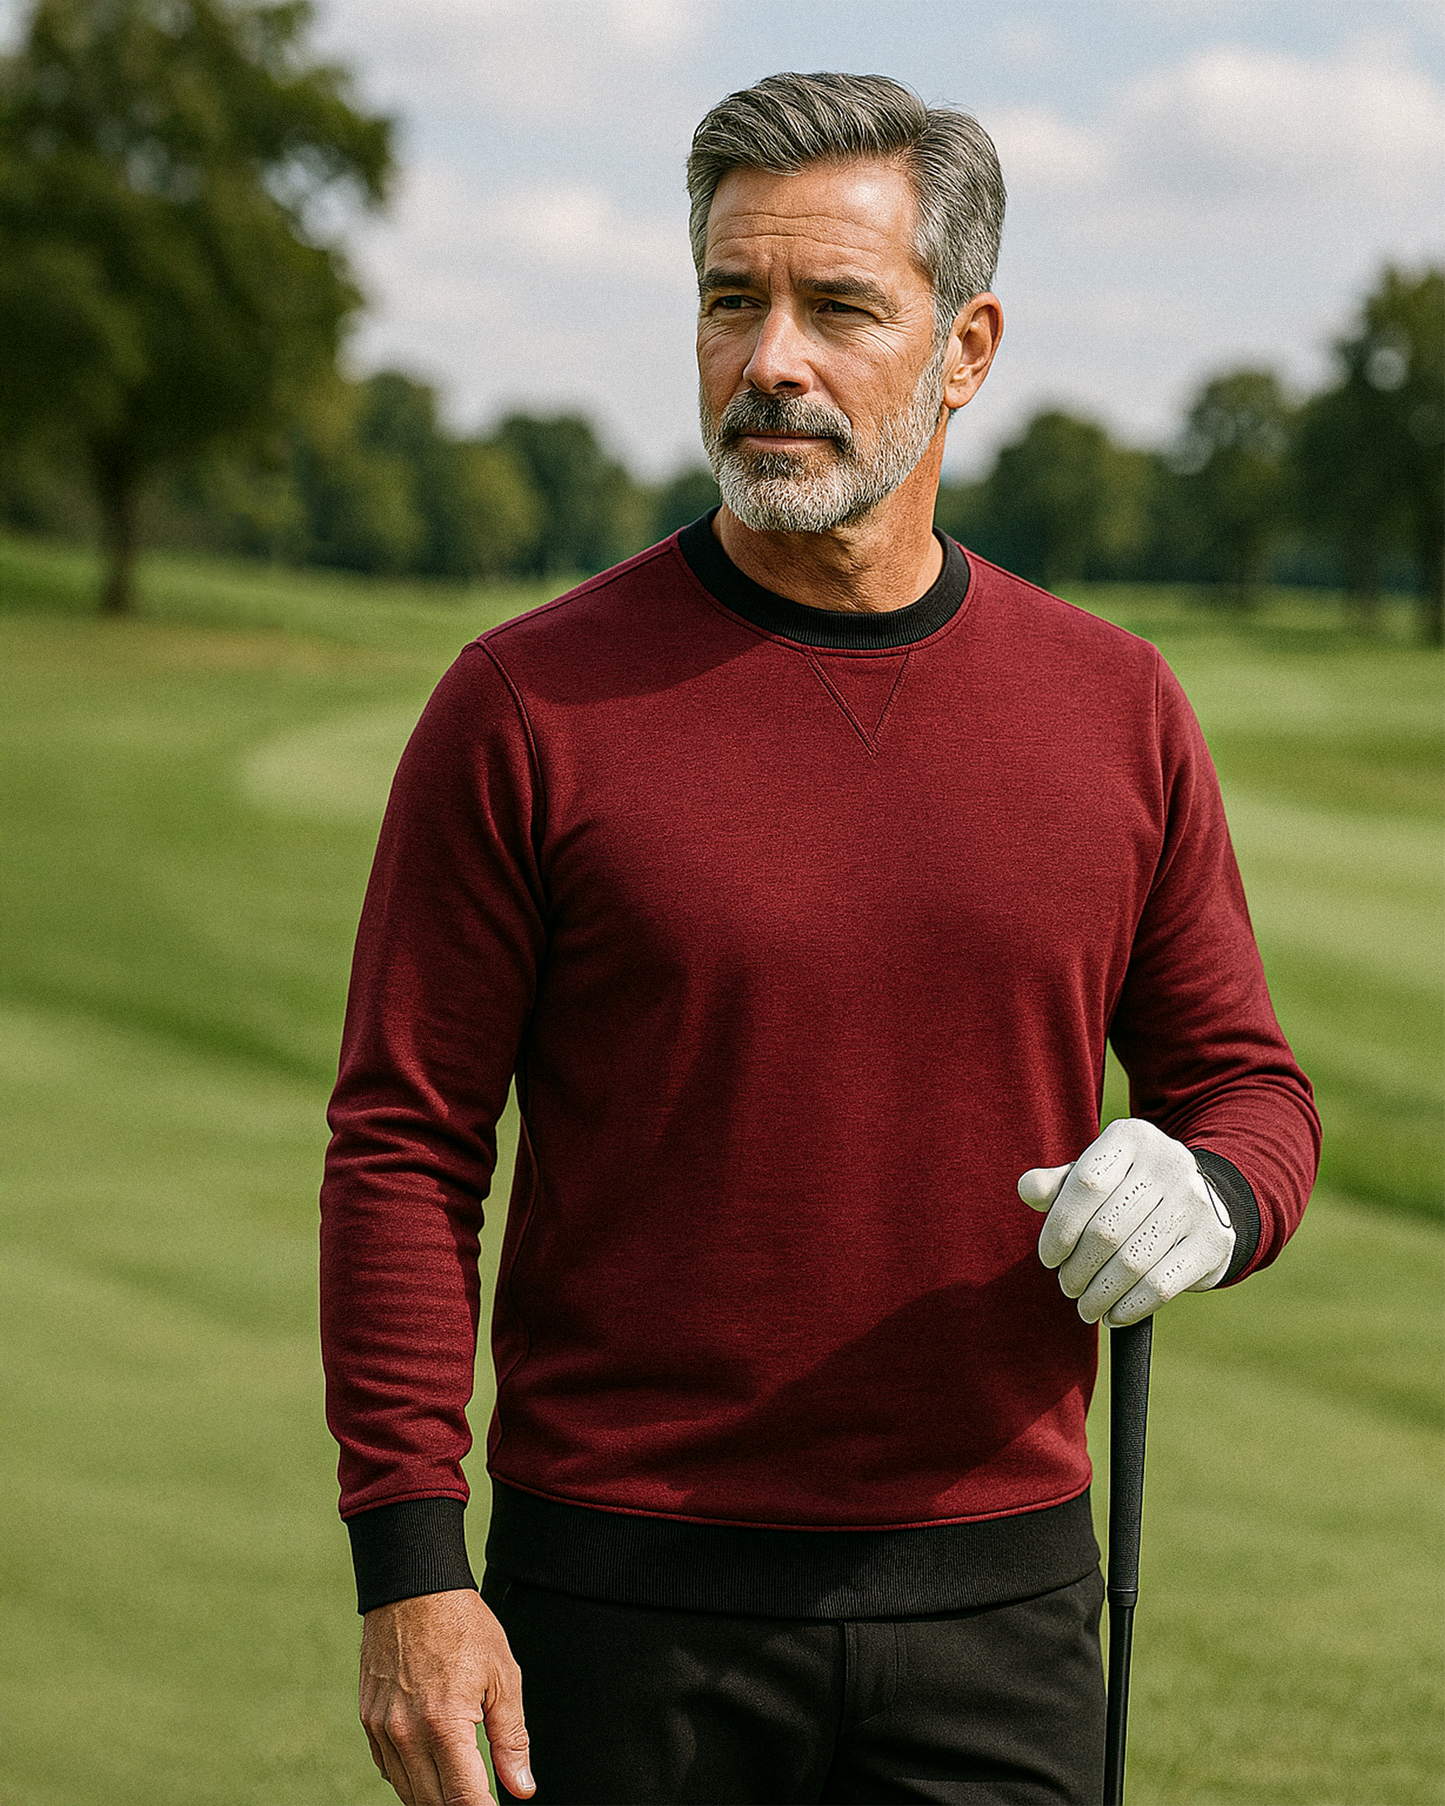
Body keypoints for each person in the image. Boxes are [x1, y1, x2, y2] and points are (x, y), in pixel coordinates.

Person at [320, 71, 1319, 1806]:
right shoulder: (522, 704)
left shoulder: (1119, 706)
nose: (770, 355)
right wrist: (413, 1561)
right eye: (731, 298)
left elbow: (1250, 1087)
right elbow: (406, 1148)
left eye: (838, 305)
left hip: (1003, 1611)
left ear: (968, 343)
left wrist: (1214, 1197)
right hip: (617, 1610)